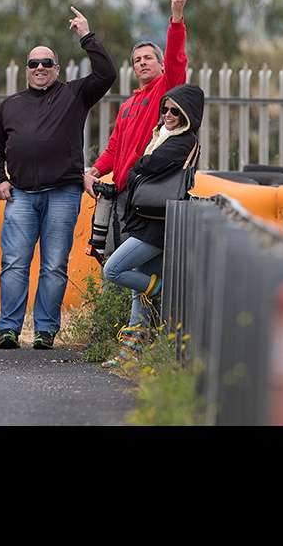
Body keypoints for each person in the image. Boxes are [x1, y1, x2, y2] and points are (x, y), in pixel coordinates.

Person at [0, 6, 117, 349]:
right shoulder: (10, 105)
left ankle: (45, 331)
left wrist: (86, 34)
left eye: (46, 63)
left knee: (54, 266)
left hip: (63, 194)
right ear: (26, 70)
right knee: (14, 264)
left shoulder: (74, 94)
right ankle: (8, 329)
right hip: (21, 195)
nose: (39, 68)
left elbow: (106, 73)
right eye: (33, 64)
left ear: (57, 69)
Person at [100, 83, 204, 370]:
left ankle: (160, 290)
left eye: (175, 110)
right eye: (165, 109)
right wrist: (139, 166)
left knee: (114, 269)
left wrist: (138, 166)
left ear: (187, 114)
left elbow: (150, 164)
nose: (168, 114)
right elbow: (143, 165)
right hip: (146, 217)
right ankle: (131, 351)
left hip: (157, 224)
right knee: (138, 290)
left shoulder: (183, 141)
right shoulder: (162, 135)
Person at [83, 0, 188, 260]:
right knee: (109, 258)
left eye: (148, 58)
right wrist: (94, 171)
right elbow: (114, 148)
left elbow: (177, 61)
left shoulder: (165, 92)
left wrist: (176, 19)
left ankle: (149, 298)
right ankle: (118, 306)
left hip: (146, 192)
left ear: (161, 64)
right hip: (120, 194)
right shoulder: (128, 104)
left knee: (128, 265)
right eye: (137, 60)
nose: (142, 63)